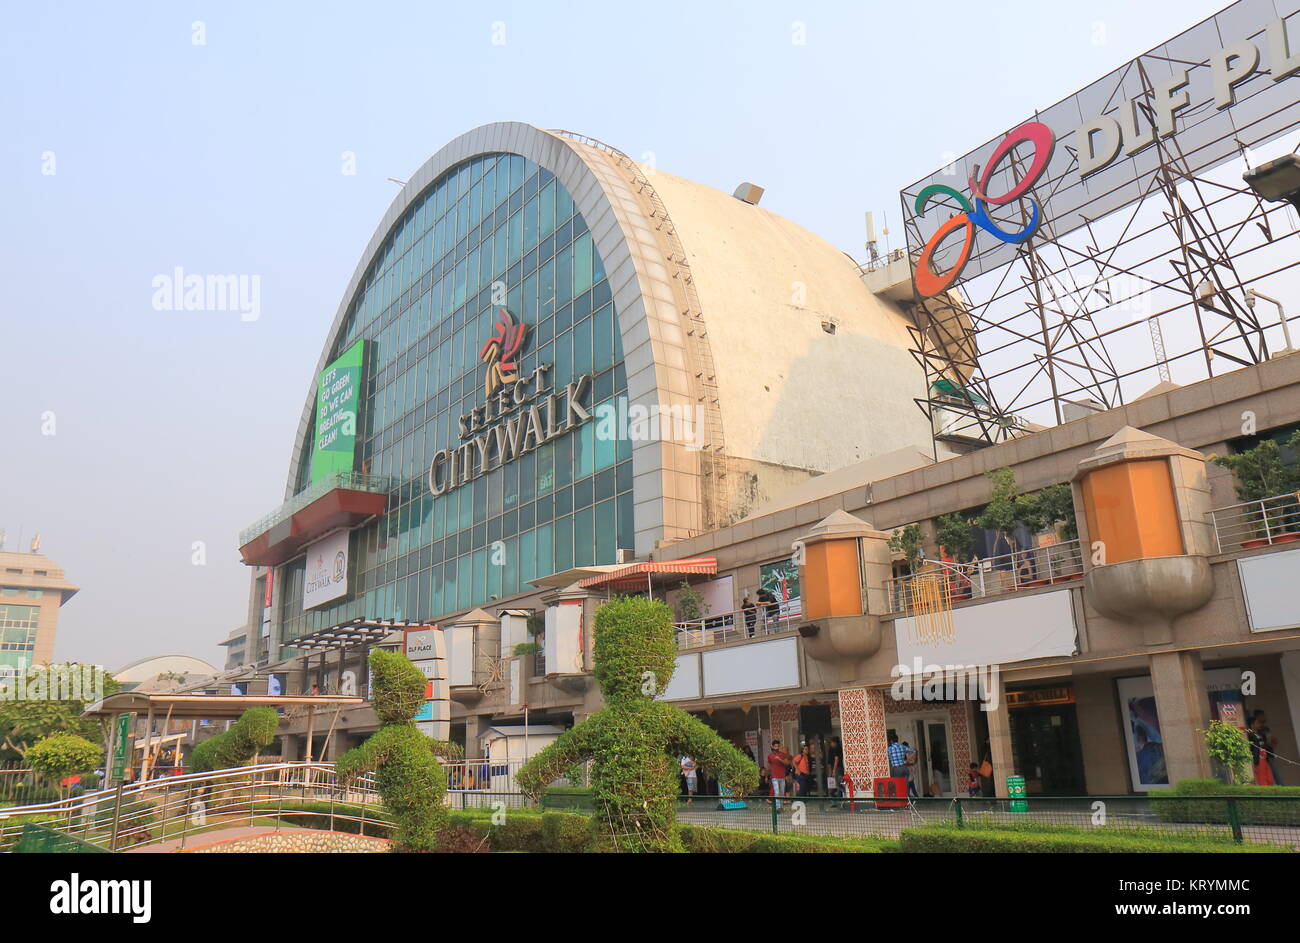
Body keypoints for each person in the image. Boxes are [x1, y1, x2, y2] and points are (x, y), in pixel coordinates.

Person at [766, 740, 792, 810]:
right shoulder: (770, 755)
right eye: (775, 746)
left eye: (778, 746)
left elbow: (787, 763)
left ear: (779, 746)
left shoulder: (783, 754)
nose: (776, 747)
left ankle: (780, 806)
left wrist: (780, 759)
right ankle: (778, 807)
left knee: (781, 792)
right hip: (774, 776)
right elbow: (769, 765)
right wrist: (767, 776)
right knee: (777, 792)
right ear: (772, 747)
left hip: (782, 776)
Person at [826, 736, 844, 806]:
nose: (831, 744)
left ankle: (838, 799)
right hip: (837, 769)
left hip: (837, 769)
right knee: (837, 784)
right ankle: (838, 799)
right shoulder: (834, 749)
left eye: (832, 742)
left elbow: (836, 759)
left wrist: (833, 770)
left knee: (837, 784)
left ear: (835, 743)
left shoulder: (836, 749)